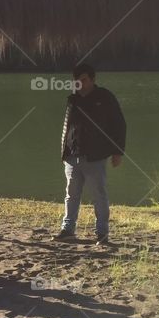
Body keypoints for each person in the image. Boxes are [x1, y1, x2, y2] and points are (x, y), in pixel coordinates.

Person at [53, 63, 126, 246]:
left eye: (83, 80)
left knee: (99, 196)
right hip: (72, 156)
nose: (80, 84)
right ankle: (68, 230)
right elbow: (66, 126)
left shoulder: (105, 97)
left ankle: (102, 233)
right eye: (76, 81)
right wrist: (64, 152)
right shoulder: (73, 99)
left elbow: (119, 124)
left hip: (95, 156)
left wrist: (118, 151)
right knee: (71, 195)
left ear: (93, 80)